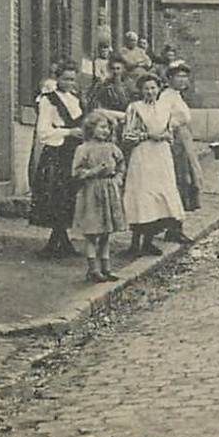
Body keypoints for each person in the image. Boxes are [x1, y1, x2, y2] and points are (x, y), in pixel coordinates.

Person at [120, 74, 185, 258]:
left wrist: (165, 136)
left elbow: (169, 133)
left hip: (161, 156)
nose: (150, 91)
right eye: (146, 88)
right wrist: (149, 136)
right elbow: (128, 135)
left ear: (158, 89)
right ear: (141, 90)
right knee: (141, 193)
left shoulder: (165, 108)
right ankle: (134, 244)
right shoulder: (135, 108)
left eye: (153, 88)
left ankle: (148, 241)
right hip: (143, 154)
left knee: (158, 194)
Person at [29, 67, 84, 257]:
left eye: (72, 79)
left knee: (69, 195)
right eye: (66, 79)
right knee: (56, 195)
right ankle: (58, 243)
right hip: (57, 150)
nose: (69, 83)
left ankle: (59, 241)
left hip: (73, 151)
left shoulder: (75, 100)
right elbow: (43, 131)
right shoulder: (48, 100)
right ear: (57, 78)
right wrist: (69, 132)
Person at [72, 109, 127, 283]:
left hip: (109, 191)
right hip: (91, 193)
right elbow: (76, 172)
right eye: (102, 127)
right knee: (92, 232)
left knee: (106, 232)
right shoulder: (83, 149)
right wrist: (94, 171)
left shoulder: (112, 148)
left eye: (108, 128)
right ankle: (92, 269)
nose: (106, 131)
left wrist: (118, 178)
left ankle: (106, 267)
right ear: (91, 128)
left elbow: (121, 165)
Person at [158, 60, 200, 244]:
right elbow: (162, 119)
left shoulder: (177, 96)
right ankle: (173, 228)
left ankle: (176, 227)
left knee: (187, 179)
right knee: (179, 180)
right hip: (175, 141)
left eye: (185, 76)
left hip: (184, 140)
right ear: (169, 78)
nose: (183, 80)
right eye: (178, 76)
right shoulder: (166, 96)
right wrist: (174, 128)